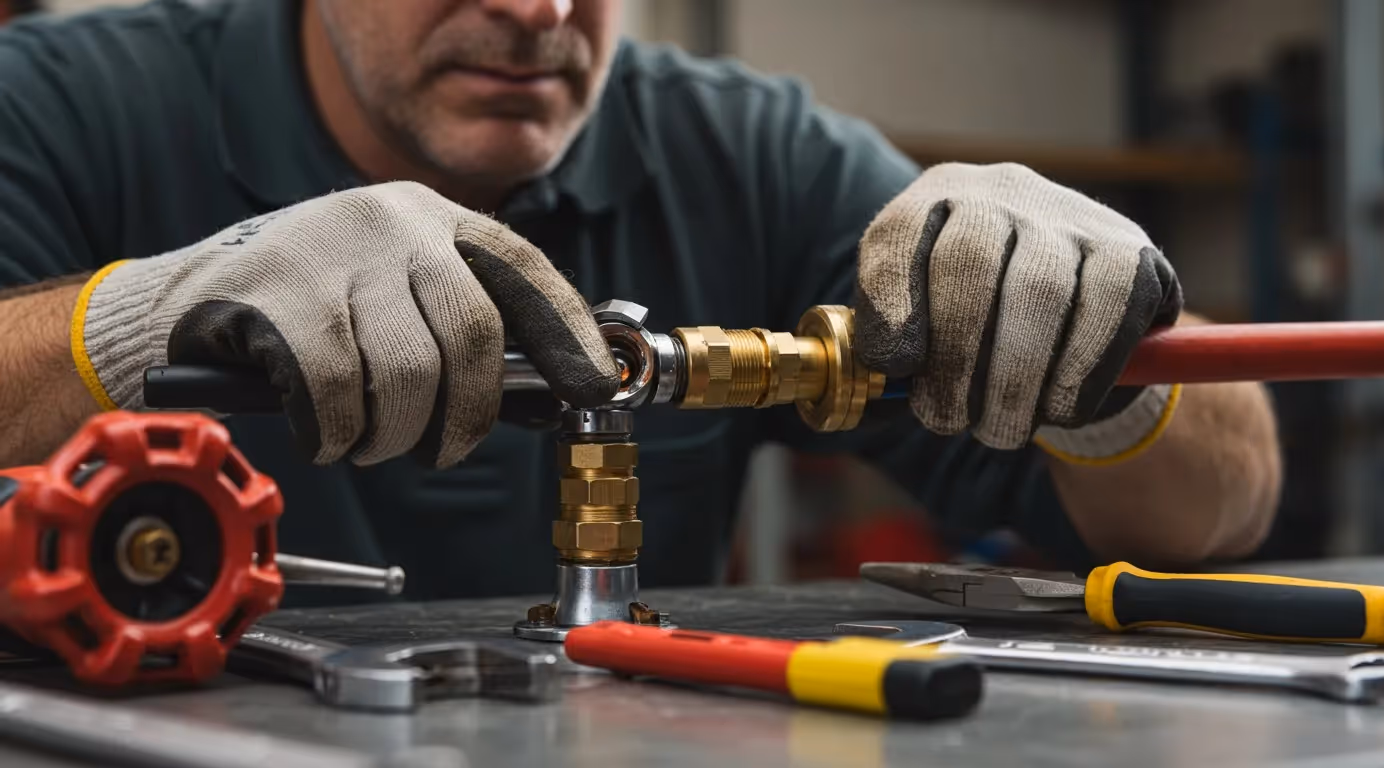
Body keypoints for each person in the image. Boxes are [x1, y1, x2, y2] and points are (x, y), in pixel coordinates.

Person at [0, 0, 1281, 601]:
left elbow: (1225, 511)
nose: (535, 10)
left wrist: (1119, 352)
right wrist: (139, 317)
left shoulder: (744, 153)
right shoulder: (63, 105)